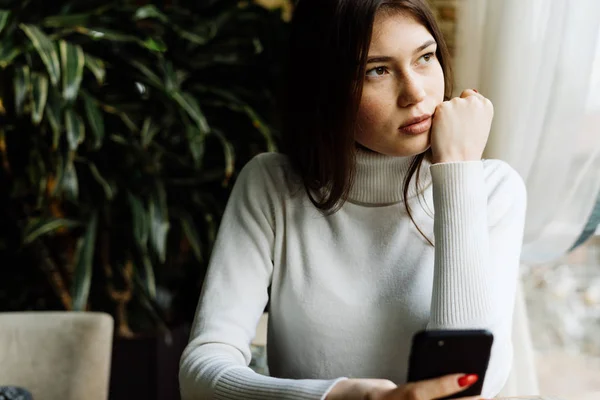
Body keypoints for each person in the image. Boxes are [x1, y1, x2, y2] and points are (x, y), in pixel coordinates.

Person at [179, 0, 527, 399]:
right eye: (376, 70)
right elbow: (200, 373)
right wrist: (340, 397)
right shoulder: (272, 185)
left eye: (425, 57)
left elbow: (465, 387)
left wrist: (456, 172)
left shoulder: (493, 188)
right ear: (324, 85)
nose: (415, 93)